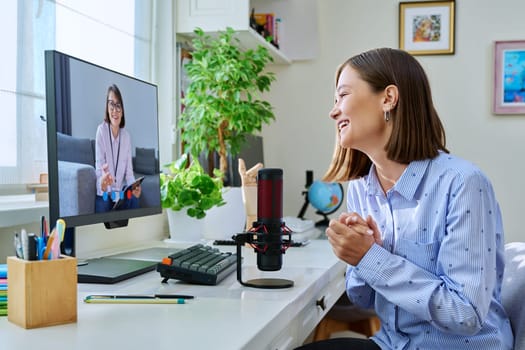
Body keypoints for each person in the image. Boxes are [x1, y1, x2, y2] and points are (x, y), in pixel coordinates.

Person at [297, 48, 513, 349]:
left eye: (342, 96)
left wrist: (370, 257)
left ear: (388, 98)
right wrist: (361, 257)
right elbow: (364, 300)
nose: (333, 111)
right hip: (392, 343)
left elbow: (466, 314)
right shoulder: (363, 187)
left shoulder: (462, 183)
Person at [95, 84, 141, 212]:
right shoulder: (101, 131)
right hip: (105, 193)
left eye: (118, 105)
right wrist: (103, 183)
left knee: (134, 200)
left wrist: (134, 187)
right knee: (102, 204)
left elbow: (129, 174)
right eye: (111, 104)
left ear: (122, 110)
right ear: (107, 107)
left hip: (120, 194)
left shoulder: (126, 136)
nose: (115, 110)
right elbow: (99, 170)